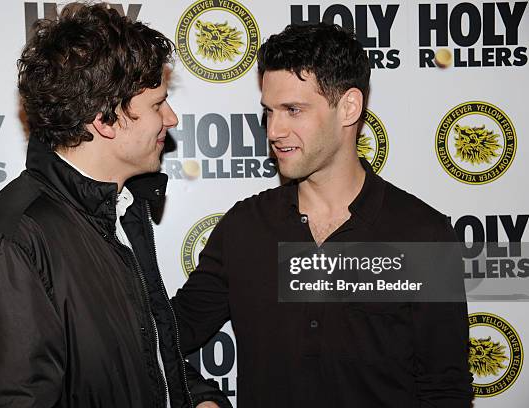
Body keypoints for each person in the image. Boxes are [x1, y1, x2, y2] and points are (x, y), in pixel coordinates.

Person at [0, 3, 229, 407]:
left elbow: (143, 357)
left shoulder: (122, 209)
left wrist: (197, 398)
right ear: (105, 121)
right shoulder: (10, 248)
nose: (172, 118)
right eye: (157, 104)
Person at [172, 23, 473, 407]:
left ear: (348, 107)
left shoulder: (421, 233)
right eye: (269, 111)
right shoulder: (244, 229)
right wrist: (202, 397)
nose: (274, 130)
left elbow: (445, 388)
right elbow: (159, 340)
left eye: (293, 110)